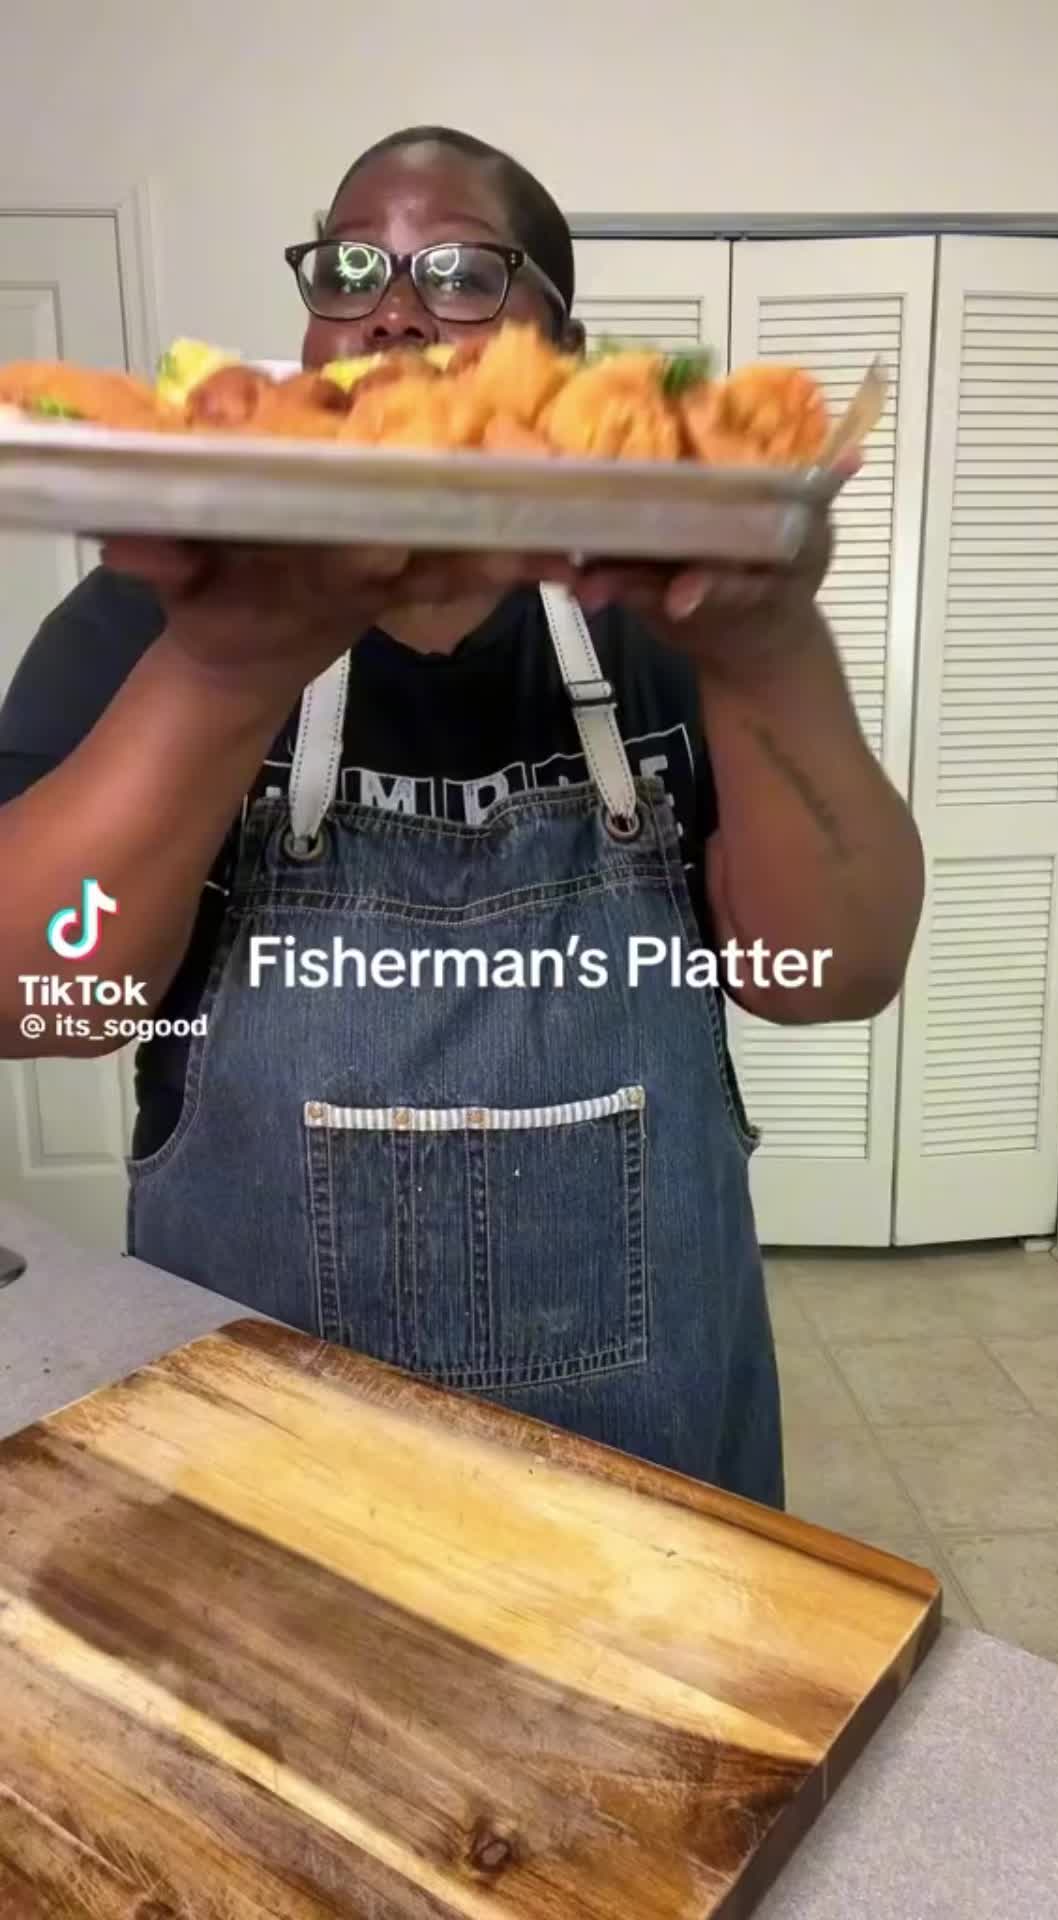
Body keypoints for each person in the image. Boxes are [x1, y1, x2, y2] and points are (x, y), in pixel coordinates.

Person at [0, 126, 924, 1506]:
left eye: (462, 274)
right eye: (353, 266)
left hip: (642, 1462)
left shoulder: (668, 622)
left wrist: (774, 646)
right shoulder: (160, 618)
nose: (392, 306)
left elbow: (836, 970)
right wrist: (221, 671)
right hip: (257, 1443)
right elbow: (40, 995)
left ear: (563, 344)